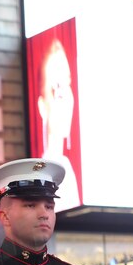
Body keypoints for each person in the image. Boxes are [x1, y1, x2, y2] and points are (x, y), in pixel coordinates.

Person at [34, 38, 81, 208]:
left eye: (67, 84)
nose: (64, 97)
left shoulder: (65, 167)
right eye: (56, 88)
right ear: (42, 106)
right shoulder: (43, 173)